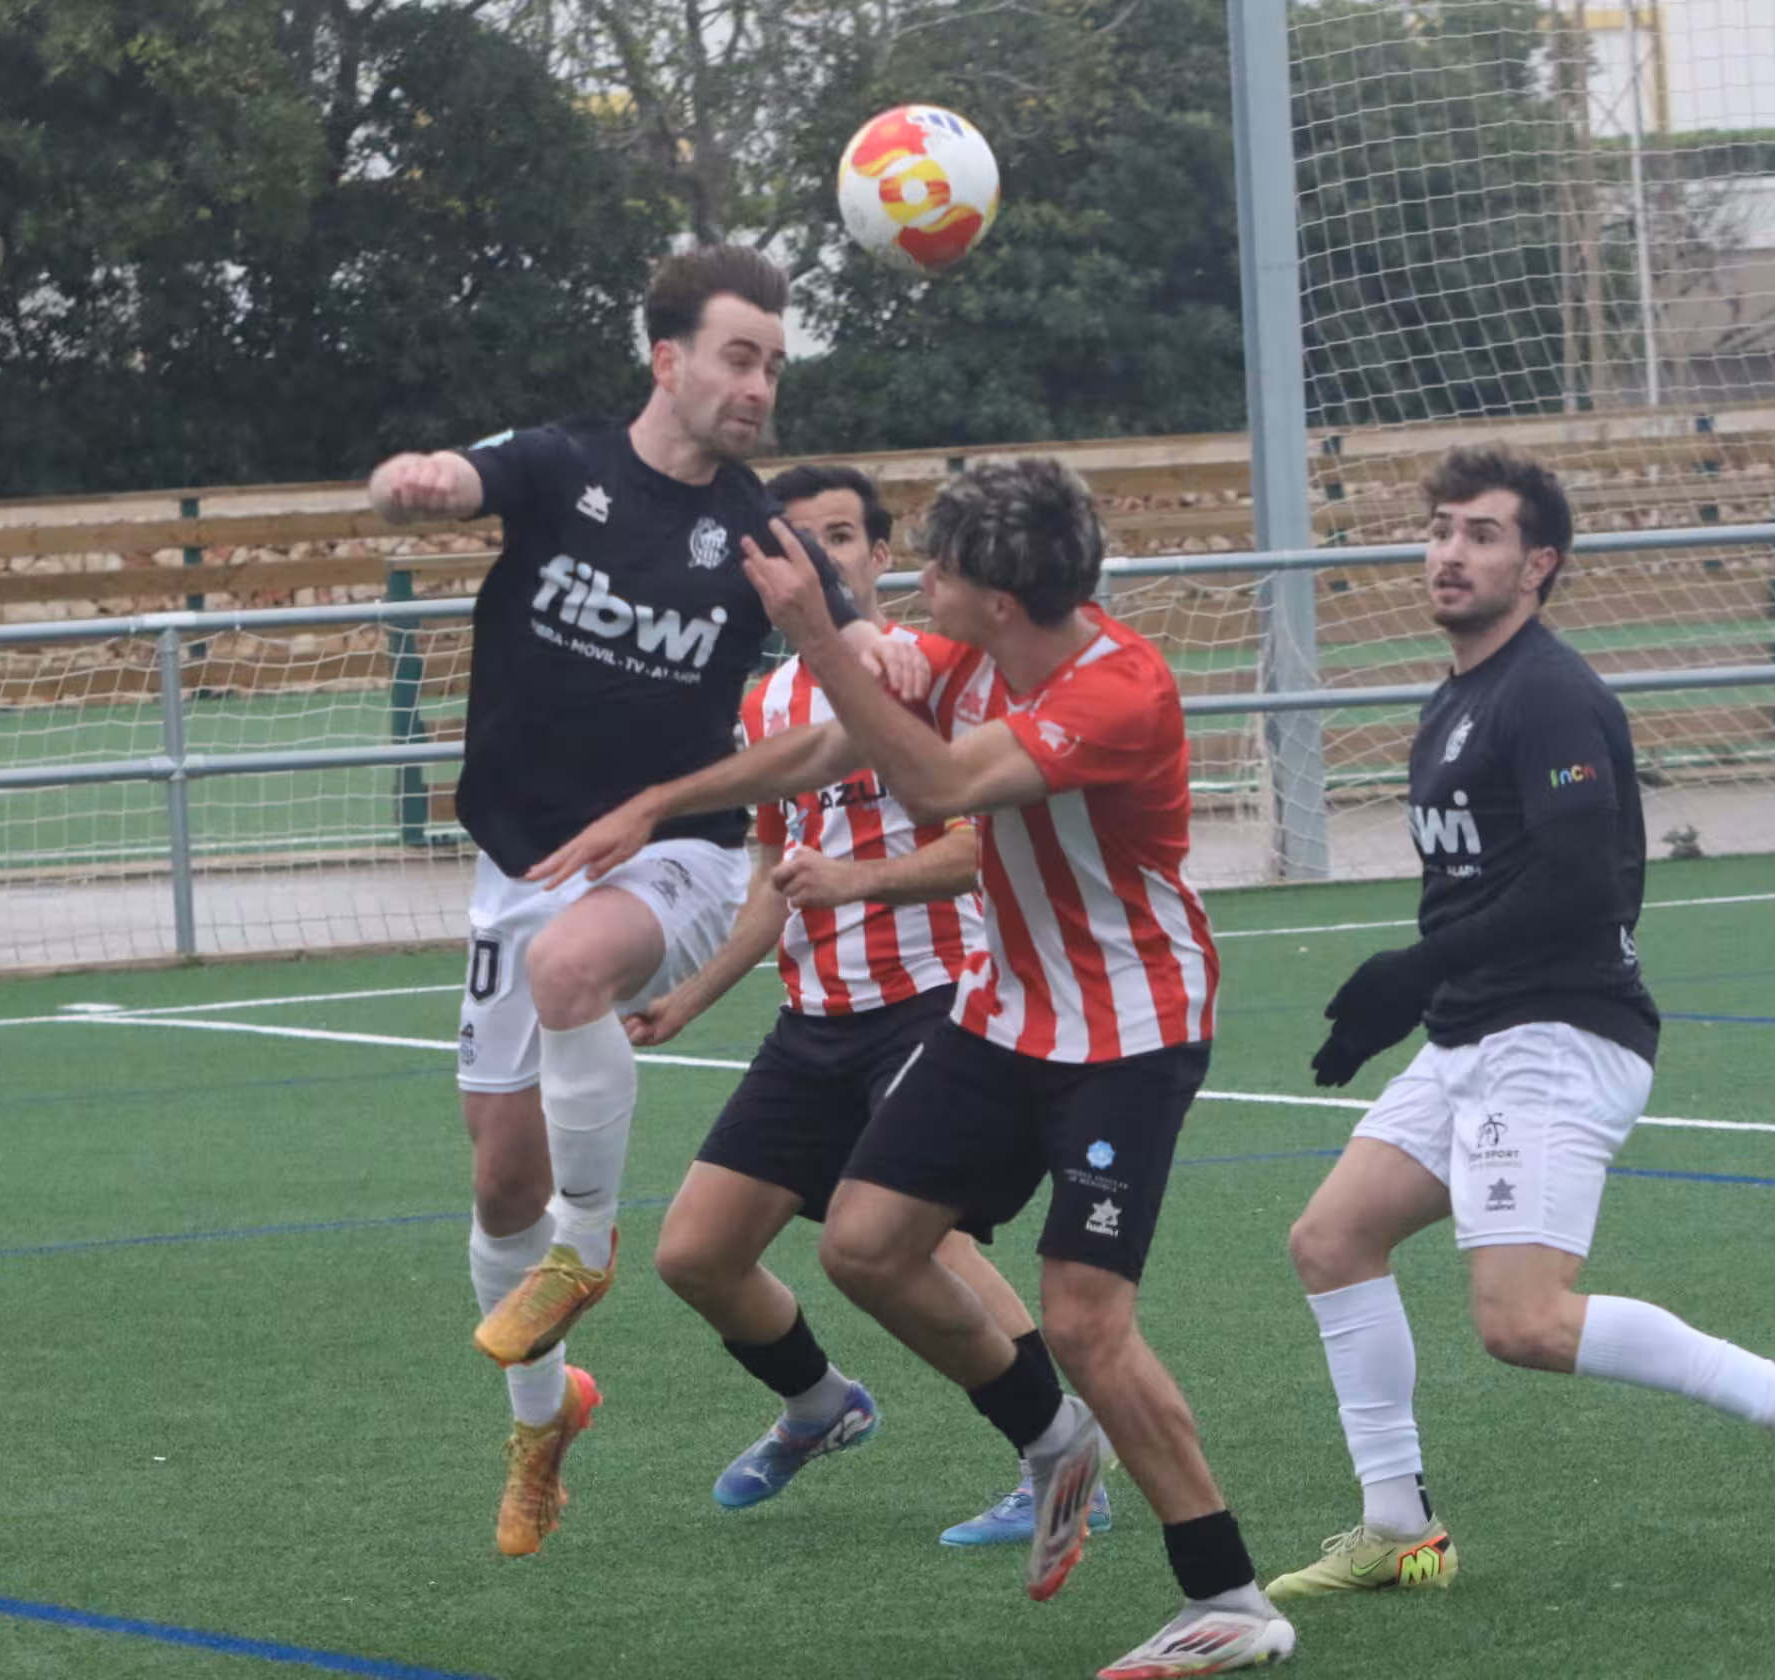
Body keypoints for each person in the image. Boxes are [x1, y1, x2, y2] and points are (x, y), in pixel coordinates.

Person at [532, 458, 1295, 1679]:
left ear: (995, 596)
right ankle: (1051, 1442)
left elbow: (938, 786)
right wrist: (661, 805)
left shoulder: (1118, 693)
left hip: (1127, 1030)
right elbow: (815, 755)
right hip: (1000, 1015)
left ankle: (1231, 1597)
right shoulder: (969, 658)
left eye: (935, 568)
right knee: (865, 1243)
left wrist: (814, 633)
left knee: (1085, 1319)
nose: (913, 582)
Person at [366, 244, 924, 1560]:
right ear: (666, 359)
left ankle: (590, 1244)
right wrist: (427, 484)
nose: (759, 386)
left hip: (677, 855)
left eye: (776, 366)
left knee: (575, 977)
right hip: (522, 864)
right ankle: (544, 1417)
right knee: (498, 1175)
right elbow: (471, 478)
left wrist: (873, 645)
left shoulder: (757, 531)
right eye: (739, 357)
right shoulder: (565, 466)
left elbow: (854, 650)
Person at [1263, 445, 1775, 1605]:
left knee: (1524, 1322)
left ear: (1537, 564)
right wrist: (1414, 1000)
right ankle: (1398, 1527)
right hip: (1471, 1037)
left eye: (1481, 534)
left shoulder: (1547, 693)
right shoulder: (1455, 697)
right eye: (1440, 528)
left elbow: (1576, 884)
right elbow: (1482, 889)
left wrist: (1412, 967)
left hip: (1556, 1037)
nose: (1449, 551)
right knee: (1330, 1240)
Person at [625, 461, 1110, 1544]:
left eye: (841, 537)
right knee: (695, 1256)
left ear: (882, 558)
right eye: (796, 542)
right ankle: (817, 1405)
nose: (822, 558)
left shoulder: (935, 677)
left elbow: (972, 850)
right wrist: (685, 1001)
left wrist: (858, 881)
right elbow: (773, 878)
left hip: (937, 1003)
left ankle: (1059, 1459)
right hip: (814, 1024)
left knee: (920, 1240)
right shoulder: (771, 700)